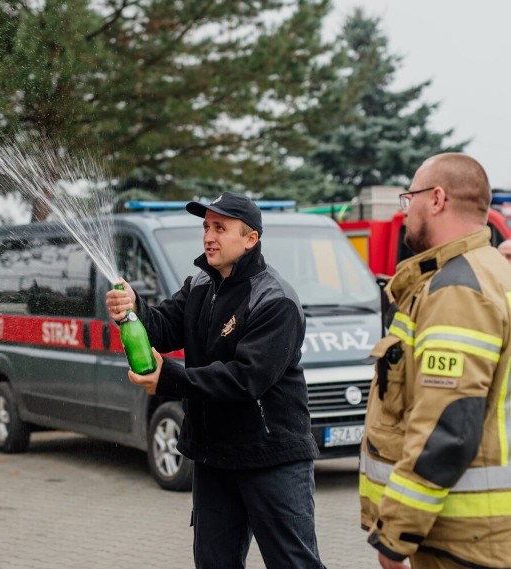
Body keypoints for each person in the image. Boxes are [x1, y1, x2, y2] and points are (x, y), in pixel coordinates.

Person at [105, 192, 324, 568]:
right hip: (214, 457)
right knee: (213, 563)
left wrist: (168, 379)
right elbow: (161, 328)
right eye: (206, 226)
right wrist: (134, 309)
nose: (209, 236)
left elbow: (246, 379)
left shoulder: (276, 300)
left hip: (270, 459)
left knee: (293, 563)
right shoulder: (199, 287)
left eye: (220, 228)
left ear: (251, 238)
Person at [360, 153, 511, 569]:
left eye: (410, 199)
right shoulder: (492, 273)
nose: (405, 212)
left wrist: (395, 536)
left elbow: (447, 426)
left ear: (438, 199)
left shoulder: (457, 290)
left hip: (463, 542)